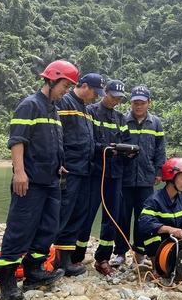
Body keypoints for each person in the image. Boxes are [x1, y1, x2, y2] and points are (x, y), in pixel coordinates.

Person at [0, 60, 78, 300]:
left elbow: (52, 143)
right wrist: (19, 172)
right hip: (29, 181)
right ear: (51, 81)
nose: (66, 90)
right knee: (20, 228)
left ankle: (34, 270)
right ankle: (7, 282)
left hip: (51, 179)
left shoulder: (53, 109)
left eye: (69, 86)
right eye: (64, 85)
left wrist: (59, 164)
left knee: (49, 226)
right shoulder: (29, 105)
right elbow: (17, 140)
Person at [74, 79, 133, 277]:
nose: (116, 101)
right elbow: (87, 141)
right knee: (86, 214)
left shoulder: (120, 118)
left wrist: (129, 152)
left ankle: (103, 259)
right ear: (105, 92)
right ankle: (76, 256)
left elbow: (126, 141)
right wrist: (105, 149)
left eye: (119, 98)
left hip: (115, 174)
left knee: (111, 218)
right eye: (113, 96)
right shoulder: (90, 112)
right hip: (94, 173)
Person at [51, 73, 105, 277]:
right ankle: (50, 258)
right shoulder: (64, 102)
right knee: (63, 212)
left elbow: (88, 141)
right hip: (69, 170)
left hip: (85, 170)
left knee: (77, 214)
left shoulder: (86, 110)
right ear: (84, 86)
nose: (96, 97)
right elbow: (56, 135)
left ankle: (66, 260)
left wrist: (105, 148)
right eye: (94, 92)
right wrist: (59, 162)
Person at [110, 85, 166, 267]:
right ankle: (120, 253)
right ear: (131, 103)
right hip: (124, 178)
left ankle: (140, 254)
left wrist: (159, 171)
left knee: (144, 218)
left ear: (149, 103)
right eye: (135, 103)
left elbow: (160, 150)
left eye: (142, 103)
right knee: (122, 217)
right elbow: (115, 146)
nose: (138, 106)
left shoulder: (155, 123)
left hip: (146, 178)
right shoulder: (122, 120)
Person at [137, 157, 182, 278]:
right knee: (168, 264)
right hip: (159, 245)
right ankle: (157, 265)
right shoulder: (154, 200)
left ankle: (171, 266)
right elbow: (145, 225)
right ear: (171, 179)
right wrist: (169, 229)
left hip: (177, 243)